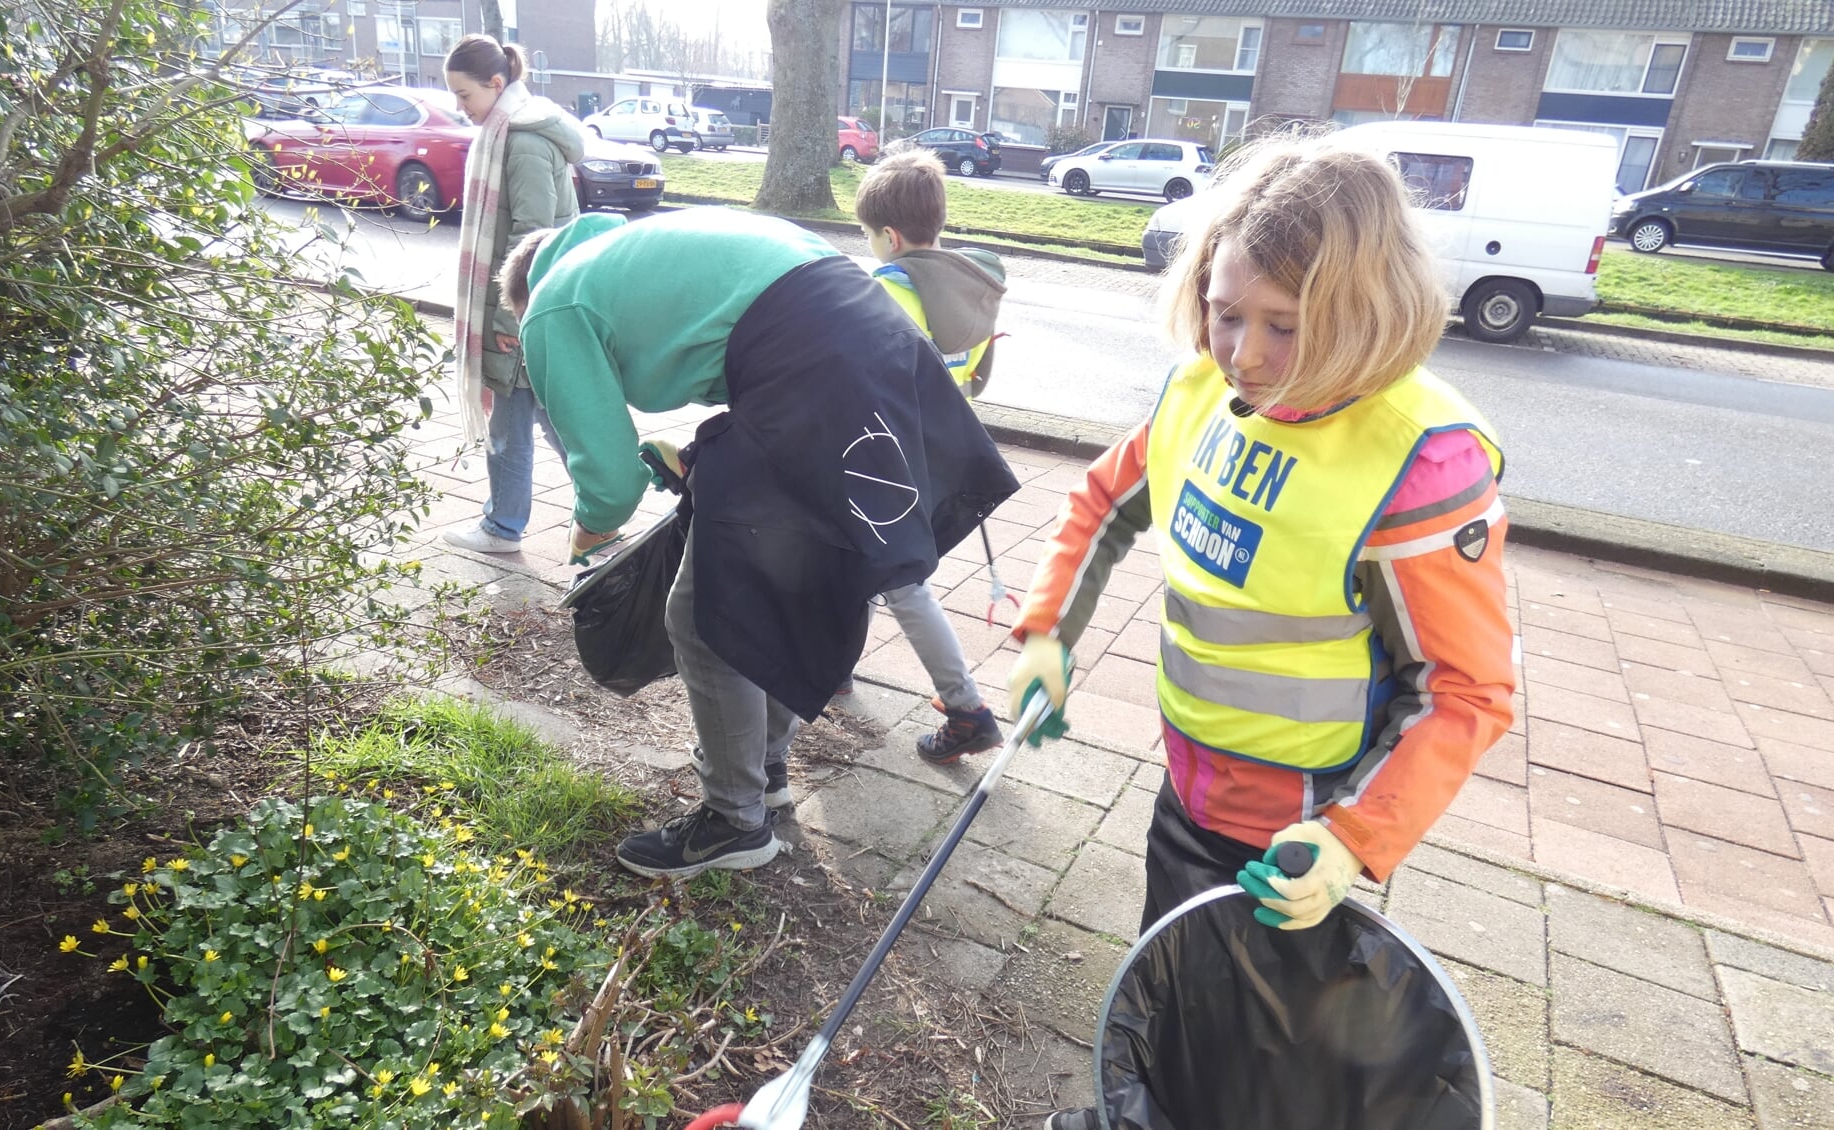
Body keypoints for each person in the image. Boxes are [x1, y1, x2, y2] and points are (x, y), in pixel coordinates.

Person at [1003, 135, 1516, 1130]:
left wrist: (1351, 842)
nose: (1244, 353)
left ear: (1363, 315)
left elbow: (1465, 688)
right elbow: (1107, 501)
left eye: (1285, 325)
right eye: (1226, 312)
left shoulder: (1417, 463)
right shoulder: (1204, 391)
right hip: (1187, 783)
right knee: (1176, 980)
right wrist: (1046, 633)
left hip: (1297, 832)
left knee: (1268, 1057)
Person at [499, 208, 1019, 880]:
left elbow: (607, 479)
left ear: (520, 298)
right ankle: (766, 770)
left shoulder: (551, 303)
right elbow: (747, 350)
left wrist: (586, 545)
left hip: (815, 360)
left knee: (708, 611)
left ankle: (733, 821)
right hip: (873, 334)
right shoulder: (636, 252)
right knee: (804, 570)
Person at [848, 148, 1008, 764]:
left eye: (867, 237)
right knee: (859, 563)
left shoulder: (888, 291)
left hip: (886, 459)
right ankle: (836, 666)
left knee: (901, 579)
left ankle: (966, 709)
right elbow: (971, 381)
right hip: (939, 454)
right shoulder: (965, 288)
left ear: (889, 236)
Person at [438, 34, 587, 555]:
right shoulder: (510, 130)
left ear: (495, 84)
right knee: (552, 420)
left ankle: (504, 527)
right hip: (533, 308)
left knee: (519, 428)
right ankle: (609, 508)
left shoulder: (520, 141)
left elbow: (533, 241)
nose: (460, 106)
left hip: (522, 311)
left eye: (464, 94)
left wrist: (506, 324)